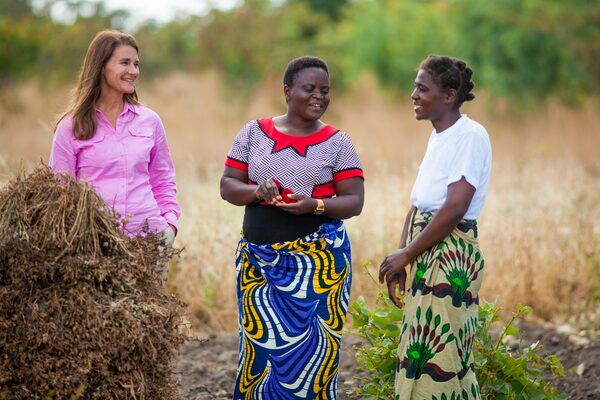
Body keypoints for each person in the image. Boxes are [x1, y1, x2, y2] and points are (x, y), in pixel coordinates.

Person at [220, 55, 365, 399]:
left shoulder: (338, 142)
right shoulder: (253, 132)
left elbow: (354, 201)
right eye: (309, 88)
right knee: (258, 352)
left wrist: (314, 205)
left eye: (325, 90)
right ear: (287, 91)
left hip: (319, 269)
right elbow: (227, 186)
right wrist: (257, 191)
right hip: (259, 267)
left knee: (315, 357)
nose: (319, 96)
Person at [378, 55, 492, 399]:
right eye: (415, 87)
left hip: (450, 256)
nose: (414, 94)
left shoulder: (470, 136)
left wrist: (408, 253)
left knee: (443, 354)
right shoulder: (439, 136)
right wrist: (402, 255)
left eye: (422, 88)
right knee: (421, 349)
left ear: (449, 95)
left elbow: (455, 207)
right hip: (428, 250)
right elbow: (419, 203)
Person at [49, 30, 180, 282]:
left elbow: (163, 179)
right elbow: (60, 191)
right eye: (125, 63)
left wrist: (169, 227)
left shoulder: (150, 121)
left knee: (148, 308)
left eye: (136, 64)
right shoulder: (71, 127)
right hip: (94, 249)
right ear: (101, 67)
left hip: (150, 243)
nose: (133, 71)